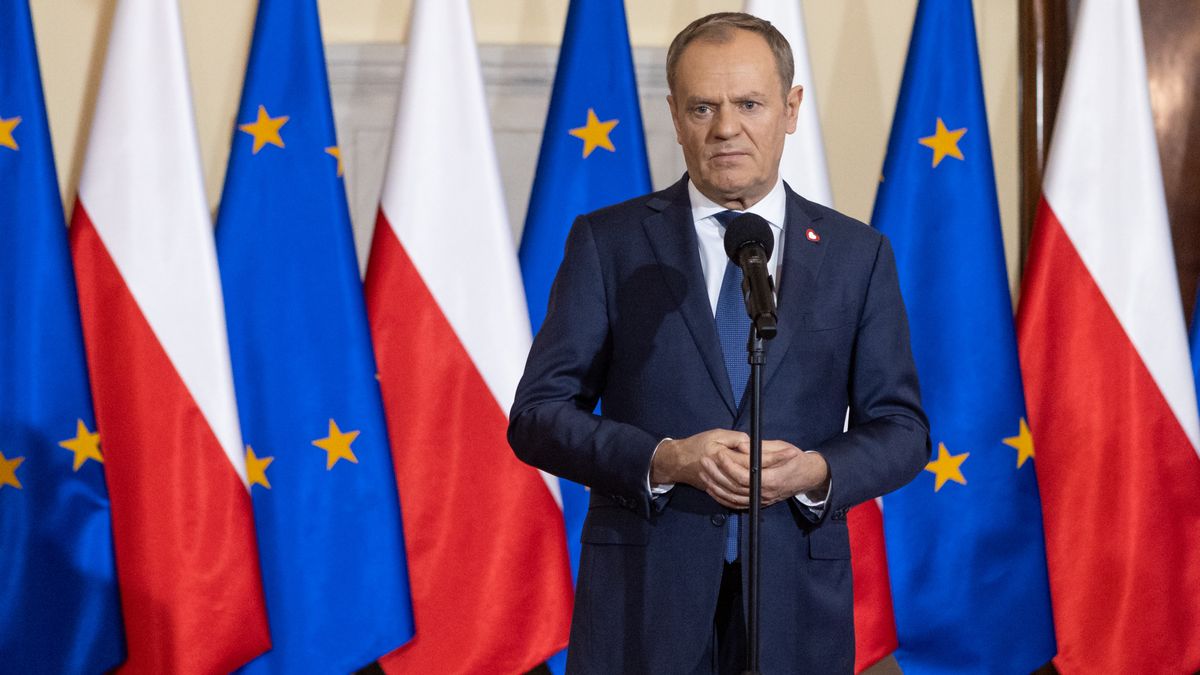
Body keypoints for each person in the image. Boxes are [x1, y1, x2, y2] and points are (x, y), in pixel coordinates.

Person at [508, 12, 929, 674]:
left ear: (790, 109)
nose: (725, 127)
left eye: (749, 104)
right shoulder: (610, 243)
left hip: (795, 603)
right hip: (643, 604)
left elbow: (902, 429)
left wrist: (815, 470)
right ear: (675, 116)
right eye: (702, 106)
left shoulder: (857, 255)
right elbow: (536, 417)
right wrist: (665, 458)